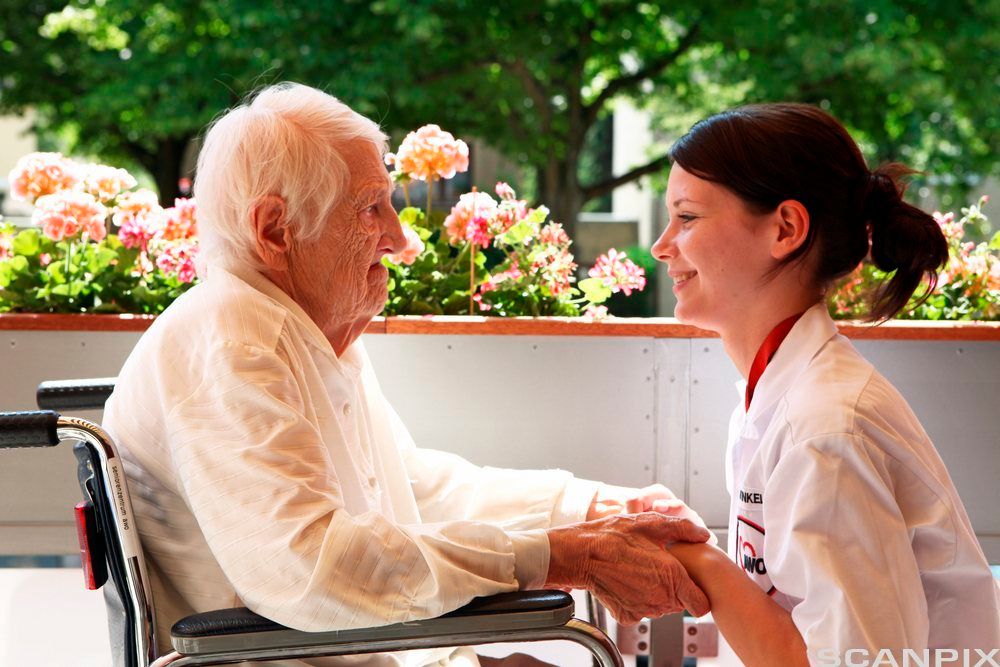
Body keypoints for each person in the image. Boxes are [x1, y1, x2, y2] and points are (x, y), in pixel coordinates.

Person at [101, 82, 712, 667]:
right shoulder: (234, 341)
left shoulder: (296, 333)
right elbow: (313, 568)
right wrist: (566, 557)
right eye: (371, 208)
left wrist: (588, 509)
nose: (400, 239)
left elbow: (412, 493)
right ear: (274, 230)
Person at [649, 103, 1000, 665]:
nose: (662, 246)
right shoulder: (772, 399)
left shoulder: (827, 430)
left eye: (687, 218)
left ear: (785, 229)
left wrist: (694, 559)